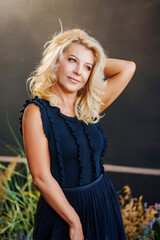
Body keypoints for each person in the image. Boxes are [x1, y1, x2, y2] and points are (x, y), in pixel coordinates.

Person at [19, 28, 136, 240]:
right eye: (72, 60)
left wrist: (92, 58)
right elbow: (41, 178)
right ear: (56, 60)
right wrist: (74, 222)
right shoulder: (36, 112)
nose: (78, 71)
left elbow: (128, 68)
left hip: (102, 200)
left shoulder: (89, 105)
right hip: (62, 210)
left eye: (87, 67)